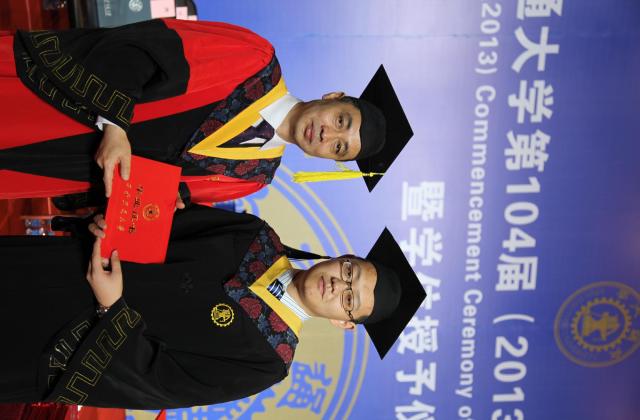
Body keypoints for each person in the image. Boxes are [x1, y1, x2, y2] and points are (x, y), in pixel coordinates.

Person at [0, 205, 425, 409]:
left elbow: (163, 385)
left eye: (349, 299)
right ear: (343, 256)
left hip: (58, 341)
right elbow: (161, 225)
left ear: (343, 323)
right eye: (349, 271)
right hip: (57, 268)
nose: (337, 285)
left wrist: (112, 308)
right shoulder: (256, 236)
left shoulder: (268, 360)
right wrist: (110, 223)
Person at [0, 18, 398, 206]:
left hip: (53, 168)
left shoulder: (252, 177)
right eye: (341, 121)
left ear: (329, 160)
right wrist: (116, 125)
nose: (328, 135)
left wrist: (158, 208)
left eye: (339, 147)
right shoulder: (254, 60)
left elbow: (153, 199)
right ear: (333, 96)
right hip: (54, 101)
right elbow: (146, 44)